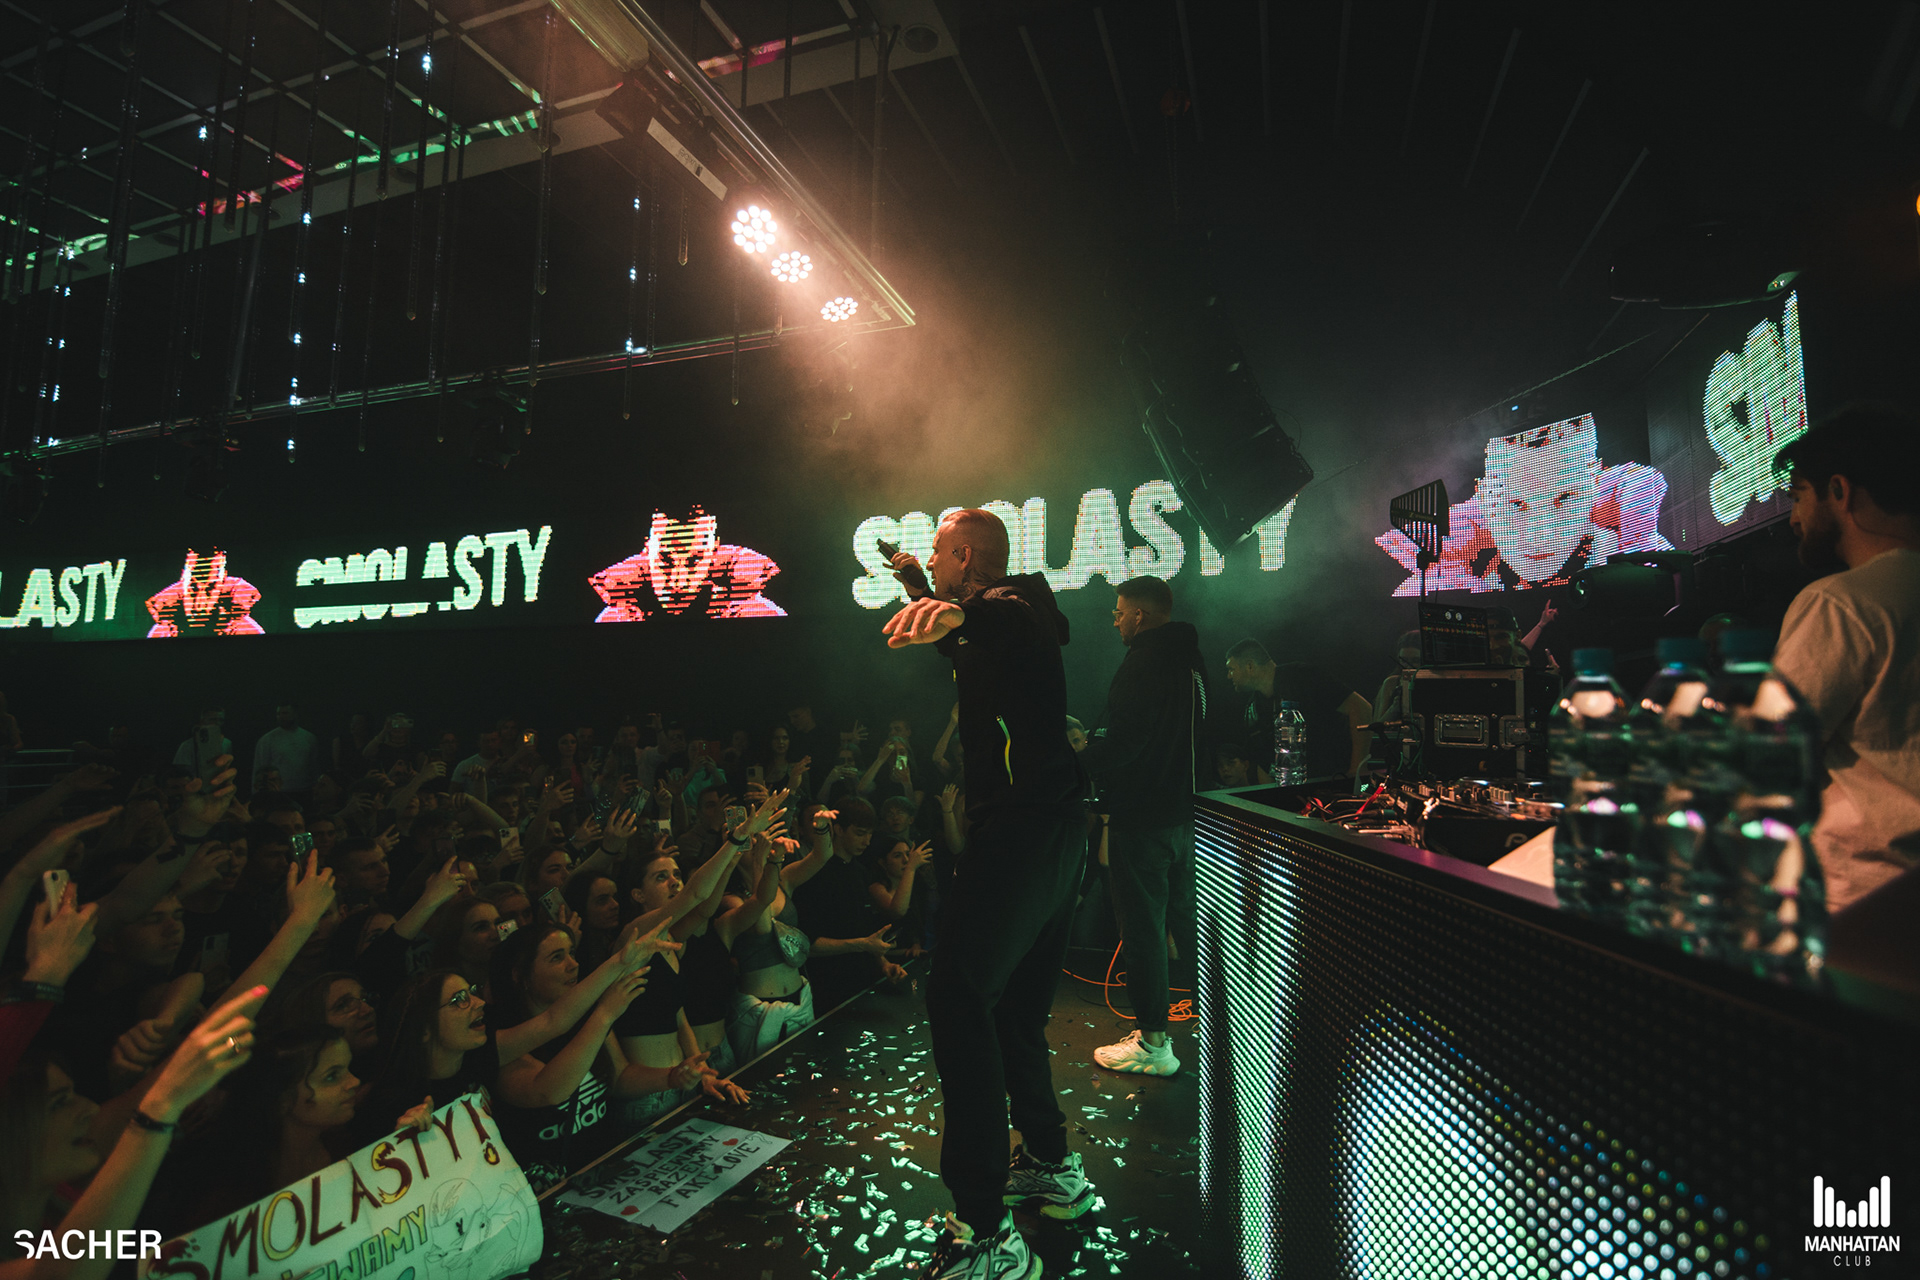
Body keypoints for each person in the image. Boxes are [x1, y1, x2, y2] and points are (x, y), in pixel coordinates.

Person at [883, 508, 1094, 1279]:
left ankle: (984, 1235)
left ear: (966, 556)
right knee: (1012, 1011)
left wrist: (956, 609)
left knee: (956, 996)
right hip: (1052, 831)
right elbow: (965, 635)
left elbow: (999, 620)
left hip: (1022, 833)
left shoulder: (1014, 606)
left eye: (939, 555)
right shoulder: (985, 625)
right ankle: (1049, 1162)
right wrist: (918, 586)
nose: (934, 564)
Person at [1769, 405, 1920, 913]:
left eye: (1797, 496)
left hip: (1864, 903)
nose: (1793, 518)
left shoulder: (1840, 604)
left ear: (1839, 491)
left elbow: (1769, 756)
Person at [1079, 576, 1205, 1078]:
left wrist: (1072, 766)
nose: (1114, 621)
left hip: (1144, 817)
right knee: (1191, 928)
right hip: (1186, 818)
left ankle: (1154, 1043)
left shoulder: (1143, 662)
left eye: (1118, 612)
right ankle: (1225, 1027)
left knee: (1144, 931)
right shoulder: (1193, 663)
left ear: (1139, 615)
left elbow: (1125, 742)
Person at [1224, 639, 1371, 781]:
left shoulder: (1302, 677)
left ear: (1250, 666)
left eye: (1231, 669)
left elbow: (1361, 708)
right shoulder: (1252, 709)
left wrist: (1357, 769)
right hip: (1297, 789)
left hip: (1337, 781)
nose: (1228, 676)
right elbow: (1264, 763)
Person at [252, 705, 323, 797]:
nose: (281, 717)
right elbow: (260, 768)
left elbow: (315, 766)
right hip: (279, 792)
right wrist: (257, 794)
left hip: (305, 790)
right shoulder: (267, 740)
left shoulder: (309, 738)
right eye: (278, 714)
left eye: (285, 713)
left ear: (295, 714)